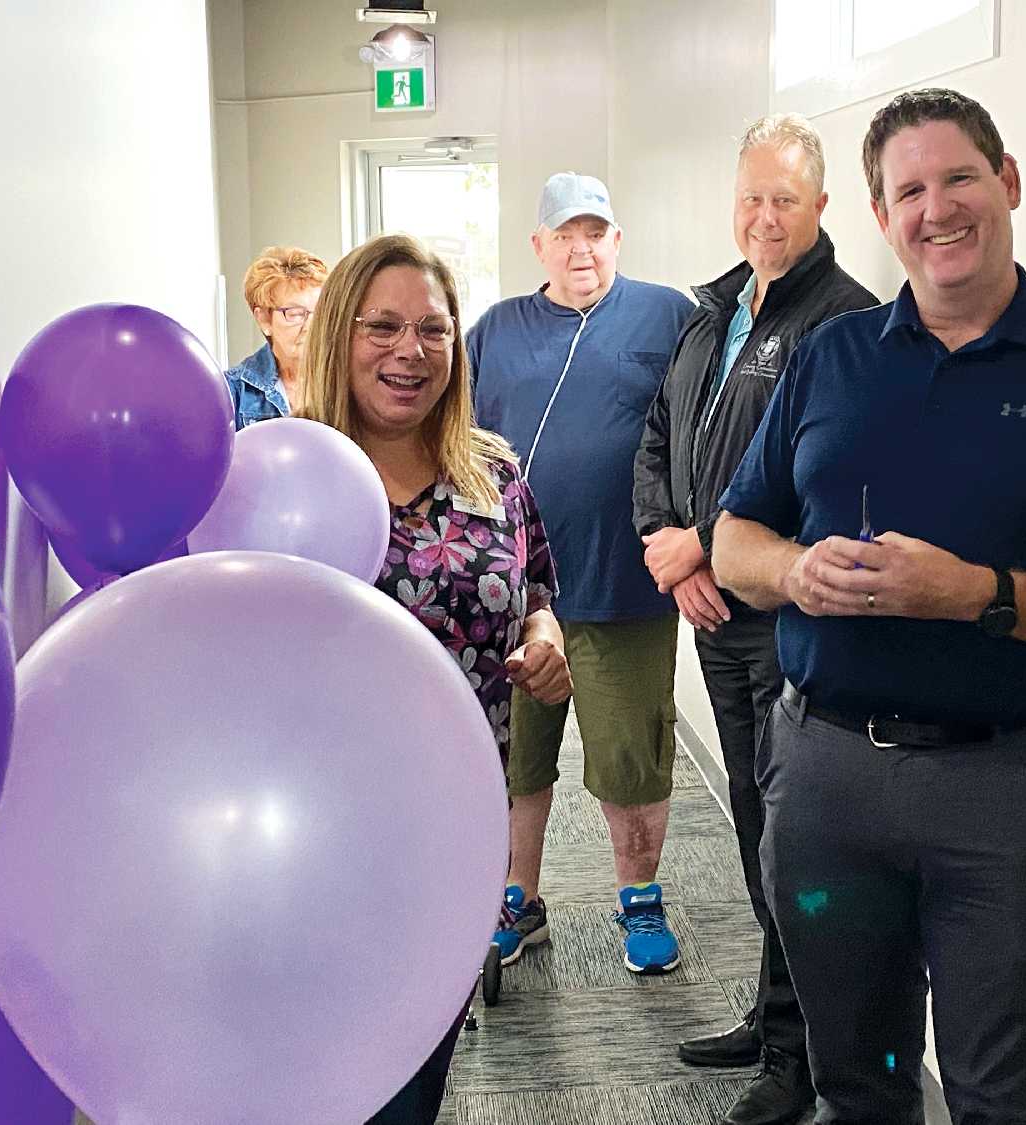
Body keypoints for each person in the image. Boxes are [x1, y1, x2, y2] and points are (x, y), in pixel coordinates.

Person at [713, 88, 1026, 1125]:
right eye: (909, 191)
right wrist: (794, 574)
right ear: (881, 218)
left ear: (1007, 182)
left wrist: (976, 595)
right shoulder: (833, 359)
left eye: (959, 177)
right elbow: (733, 538)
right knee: (860, 1089)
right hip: (826, 782)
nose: (939, 210)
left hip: (1004, 791)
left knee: (1004, 1097)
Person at [632, 114, 876, 1125]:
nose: (763, 216)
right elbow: (660, 432)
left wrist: (705, 541)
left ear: (821, 206)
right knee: (750, 825)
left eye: (783, 198)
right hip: (711, 615)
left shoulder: (844, 322)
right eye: (750, 197)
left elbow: (817, 472)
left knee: (796, 842)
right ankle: (778, 1024)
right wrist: (665, 538)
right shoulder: (714, 310)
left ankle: (809, 1056)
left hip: (782, 621)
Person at [300, 232, 572, 1124]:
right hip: (317, 838)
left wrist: (544, 636)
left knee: (418, 1079)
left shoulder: (493, 471)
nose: (409, 351)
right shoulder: (288, 477)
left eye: (432, 329)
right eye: (381, 326)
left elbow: (536, 592)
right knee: (331, 1081)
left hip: (457, 828)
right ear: (339, 335)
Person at [469, 172, 695, 975]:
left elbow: (701, 431)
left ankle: (639, 900)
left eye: (595, 232)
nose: (580, 248)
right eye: (564, 234)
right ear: (538, 246)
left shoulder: (668, 316)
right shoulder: (496, 331)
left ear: (617, 241)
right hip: (514, 595)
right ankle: (516, 901)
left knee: (631, 762)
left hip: (623, 589)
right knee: (513, 763)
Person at [226, 245, 327, 430]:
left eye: (321, 312)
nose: (312, 326)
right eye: (296, 313)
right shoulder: (233, 392)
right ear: (264, 319)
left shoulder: (349, 382)